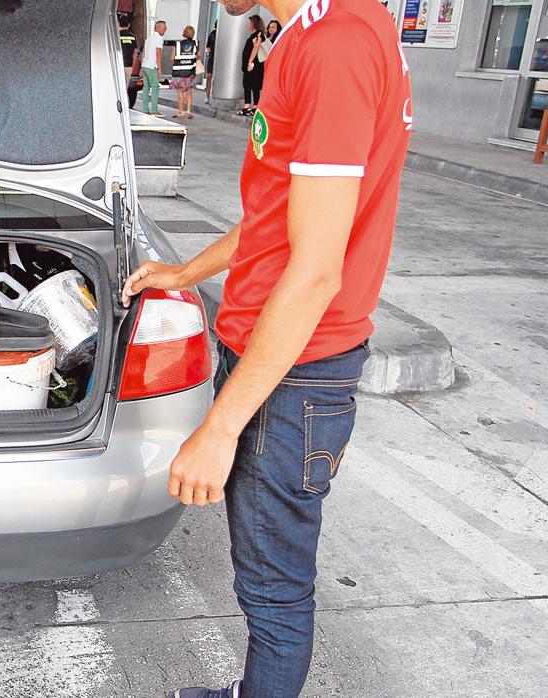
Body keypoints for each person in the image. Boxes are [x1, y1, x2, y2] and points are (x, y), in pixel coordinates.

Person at [121, 0, 413, 691]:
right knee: (264, 575)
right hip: (280, 361)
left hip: (294, 375)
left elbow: (314, 272)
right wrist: (185, 272)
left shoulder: (334, 45)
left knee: (274, 590)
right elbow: (276, 219)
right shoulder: (324, 32)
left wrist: (221, 428)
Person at [171, 25, 201, 119]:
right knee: (189, 91)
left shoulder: (178, 44)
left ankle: (181, 111)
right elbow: (199, 56)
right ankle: (189, 111)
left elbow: (172, 57)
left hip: (178, 71)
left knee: (180, 91)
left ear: (184, 33)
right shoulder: (196, 43)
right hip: (190, 71)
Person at [239, 15, 267, 116]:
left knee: (249, 84)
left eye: (249, 22)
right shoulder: (258, 34)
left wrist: (250, 61)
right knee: (252, 85)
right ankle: (252, 106)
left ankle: (250, 106)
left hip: (254, 64)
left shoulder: (257, 35)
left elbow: (256, 47)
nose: (248, 24)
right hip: (254, 64)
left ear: (254, 23)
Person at [142, 20, 167, 116]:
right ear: (158, 27)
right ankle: (154, 110)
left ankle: (145, 109)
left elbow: (144, 52)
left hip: (145, 65)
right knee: (155, 88)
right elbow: (158, 54)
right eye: (164, 28)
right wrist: (160, 69)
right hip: (152, 66)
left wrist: (141, 66)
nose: (165, 30)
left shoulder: (149, 38)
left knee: (145, 88)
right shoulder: (159, 39)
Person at [119, 14, 143, 109]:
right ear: (128, 25)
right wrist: (135, 68)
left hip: (117, 65)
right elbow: (136, 53)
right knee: (128, 86)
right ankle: (127, 104)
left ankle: (121, 104)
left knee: (119, 85)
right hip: (129, 66)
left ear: (119, 24)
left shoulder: (115, 37)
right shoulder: (133, 37)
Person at [205, 24, 218, 103]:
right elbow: (208, 46)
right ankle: (207, 95)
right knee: (209, 76)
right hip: (212, 56)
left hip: (220, 56)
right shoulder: (213, 34)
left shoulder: (224, 34)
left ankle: (214, 94)